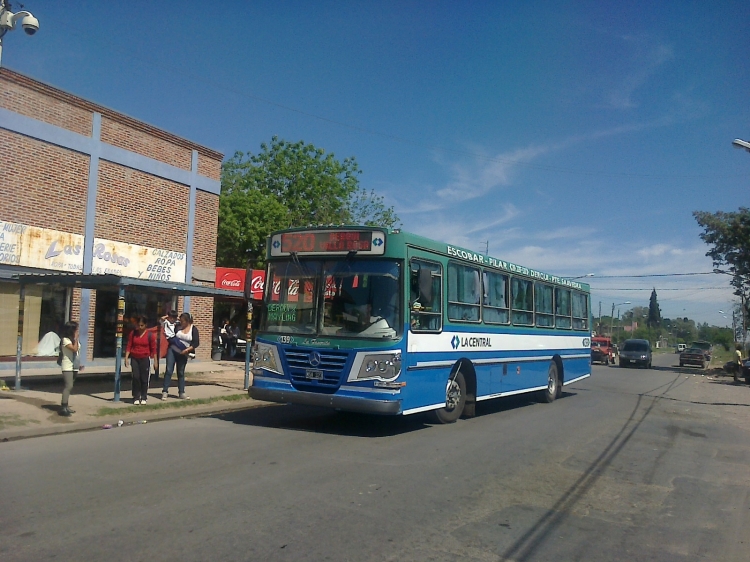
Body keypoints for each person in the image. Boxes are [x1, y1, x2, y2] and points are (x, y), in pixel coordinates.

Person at [163, 312, 199, 400]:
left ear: (187, 321)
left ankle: (181, 392)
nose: (181, 322)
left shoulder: (193, 329)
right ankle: (165, 391)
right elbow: (163, 321)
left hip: (183, 352)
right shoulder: (177, 326)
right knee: (169, 370)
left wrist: (187, 350)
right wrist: (170, 317)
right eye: (180, 320)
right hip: (172, 350)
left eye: (182, 321)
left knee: (181, 372)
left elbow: (196, 343)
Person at [124, 315, 157, 405]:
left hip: (145, 358)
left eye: (142, 325)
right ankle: (136, 396)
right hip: (135, 358)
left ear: (146, 325)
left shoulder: (150, 335)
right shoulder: (133, 333)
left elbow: (154, 349)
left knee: (144, 378)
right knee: (136, 377)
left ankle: (144, 396)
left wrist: (155, 361)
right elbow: (129, 345)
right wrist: (126, 357)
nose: (140, 327)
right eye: (139, 325)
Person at [58, 321, 80, 417]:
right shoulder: (65, 340)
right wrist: (76, 338)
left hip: (74, 365)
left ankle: (66, 406)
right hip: (67, 366)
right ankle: (63, 407)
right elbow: (74, 349)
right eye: (76, 329)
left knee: (71, 385)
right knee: (68, 386)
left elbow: (77, 351)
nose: (77, 331)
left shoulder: (73, 340)